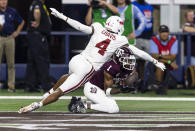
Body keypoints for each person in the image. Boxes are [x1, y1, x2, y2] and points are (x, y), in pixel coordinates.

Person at [18, 8, 165, 114]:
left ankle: (47, 93)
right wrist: (154, 61)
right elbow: (137, 51)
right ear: (119, 28)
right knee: (62, 92)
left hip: (77, 60)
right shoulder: (121, 39)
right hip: (88, 68)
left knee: (68, 77)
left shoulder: (98, 26)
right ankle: (38, 104)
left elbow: (81, 27)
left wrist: (63, 17)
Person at [69, 46, 138, 113]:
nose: (129, 63)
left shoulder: (125, 67)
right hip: (93, 88)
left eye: (130, 61)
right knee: (113, 108)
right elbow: (107, 91)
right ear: (118, 59)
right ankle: (83, 106)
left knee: (112, 104)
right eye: (126, 60)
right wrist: (120, 90)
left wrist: (132, 78)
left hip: (101, 89)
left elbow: (134, 74)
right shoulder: (111, 68)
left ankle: (79, 102)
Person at [24, 0, 52, 92]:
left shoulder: (34, 4)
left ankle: (30, 86)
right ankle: (46, 86)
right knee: (42, 61)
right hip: (38, 36)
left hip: (33, 36)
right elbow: (37, 12)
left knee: (32, 62)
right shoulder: (37, 4)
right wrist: (38, 22)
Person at [0, 0, 24, 92]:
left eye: (5, 0)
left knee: (11, 63)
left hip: (10, 38)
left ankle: (11, 86)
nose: (3, 2)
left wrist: (17, 32)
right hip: (0, 38)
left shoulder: (11, 11)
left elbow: (21, 21)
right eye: (1, 0)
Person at [149, 25, 178, 94]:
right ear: (159, 33)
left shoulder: (173, 41)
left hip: (168, 64)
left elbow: (173, 57)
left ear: (168, 33)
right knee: (160, 64)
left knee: (162, 64)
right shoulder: (154, 40)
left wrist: (160, 55)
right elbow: (154, 57)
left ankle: (158, 85)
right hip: (154, 64)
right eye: (162, 32)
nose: (164, 34)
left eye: (166, 32)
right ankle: (158, 85)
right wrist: (168, 61)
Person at [132, 0, 153, 86]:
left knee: (143, 61)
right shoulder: (132, 5)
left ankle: (142, 82)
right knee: (133, 61)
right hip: (136, 37)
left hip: (147, 36)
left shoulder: (149, 6)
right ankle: (132, 82)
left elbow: (151, 21)